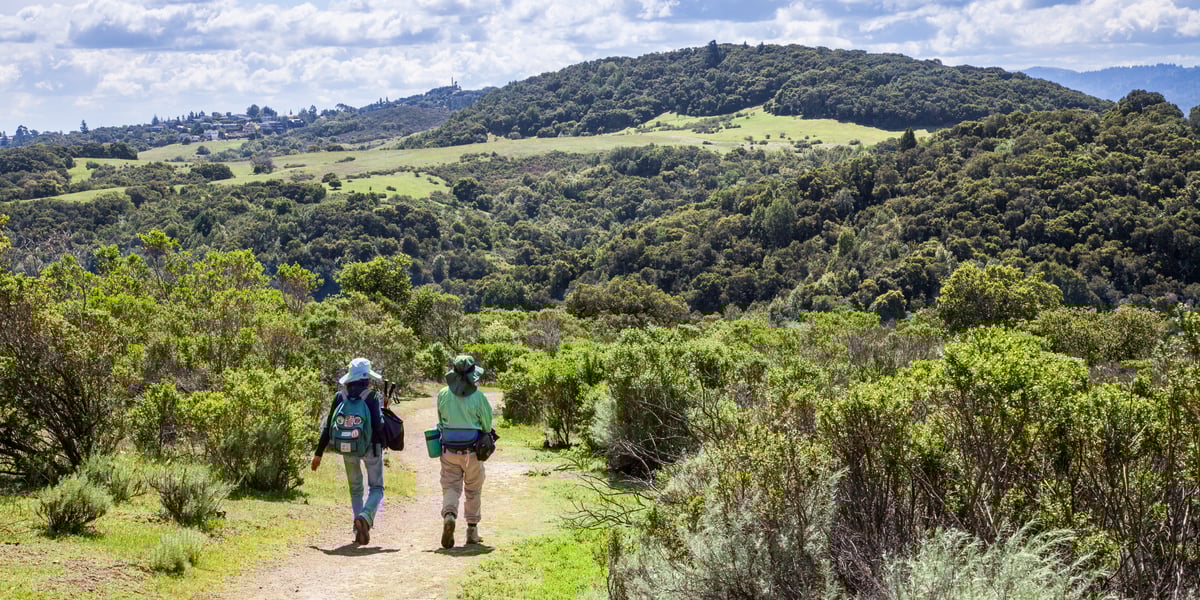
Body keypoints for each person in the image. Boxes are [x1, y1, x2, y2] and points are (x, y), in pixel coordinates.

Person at [311, 357, 386, 545]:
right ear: (367, 378)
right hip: (371, 448)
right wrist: (384, 412)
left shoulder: (339, 397)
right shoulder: (372, 397)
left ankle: (357, 525)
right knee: (376, 488)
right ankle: (365, 517)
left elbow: (328, 427)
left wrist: (318, 453)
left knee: (355, 489)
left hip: (348, 447)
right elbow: (378, 426)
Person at [437, 354, 493, 548]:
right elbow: (487, 424)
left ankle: (450, 514)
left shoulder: (443, 394)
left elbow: (440, 421)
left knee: (451, 486)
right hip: (472, 453)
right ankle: (471, 531)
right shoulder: (478, 397)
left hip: (449, 451)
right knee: (473, 489)